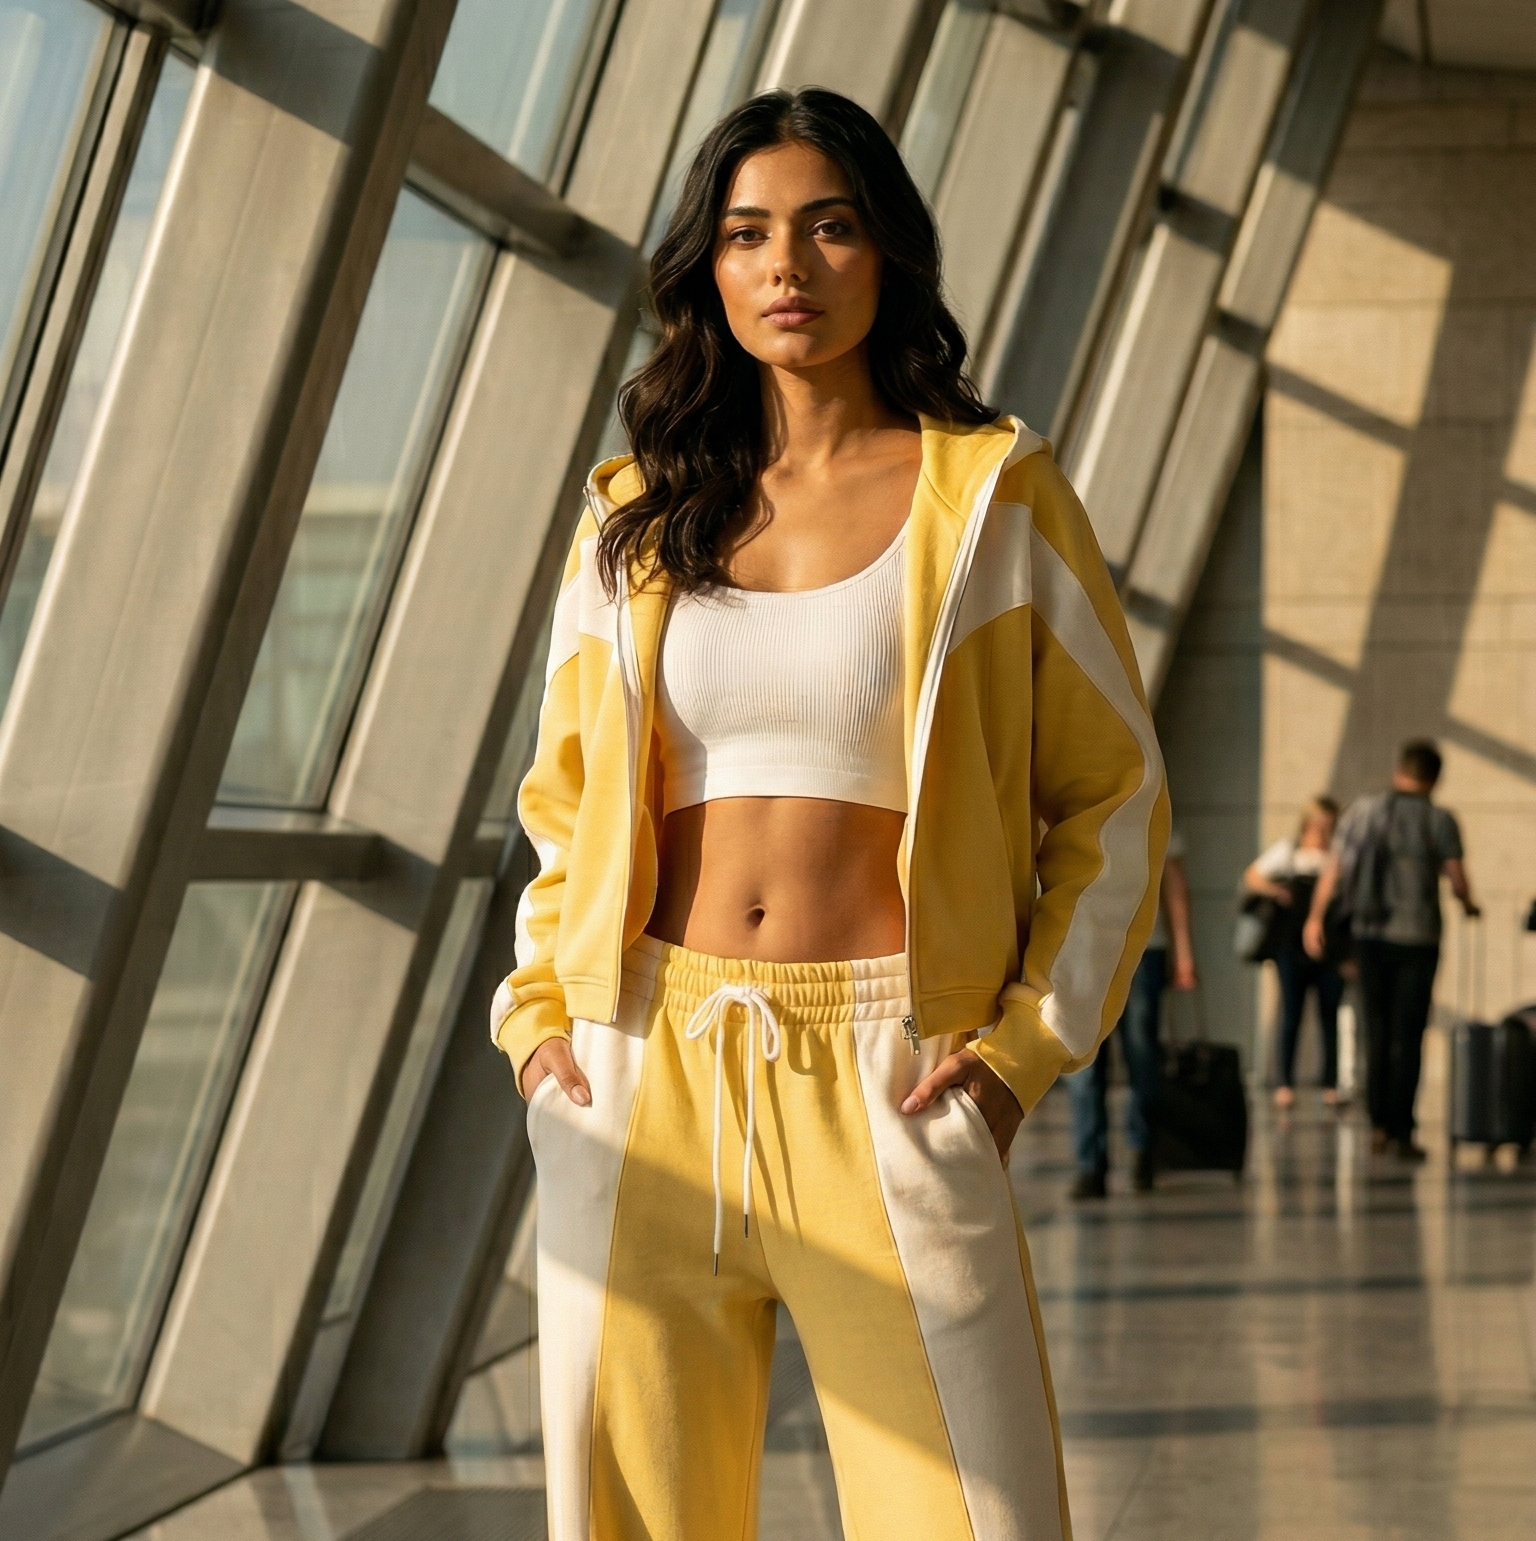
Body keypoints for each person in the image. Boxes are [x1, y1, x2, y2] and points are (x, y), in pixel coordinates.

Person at [490, 89, 1168, 1541]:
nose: (785, 265)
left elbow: (1117, 794)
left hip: (891, 1079)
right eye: (746, 235)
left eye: (827, 225)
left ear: (887, 256)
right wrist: (543, 1029)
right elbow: (563, 806)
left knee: (970, 1519)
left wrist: (1011, 1062)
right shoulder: (635, 512)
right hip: (640, 1074)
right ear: (708, 273)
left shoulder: (992, 496)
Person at [1304, 741, 1478, 1160]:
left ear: (1400, 769)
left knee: (1375, 1031)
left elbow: (1335, 868)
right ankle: (1402, 1130)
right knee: (1409, 1033)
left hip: (1369, 935)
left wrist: (1314, 918)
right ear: (1434, 778)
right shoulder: (1439, 820)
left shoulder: (1363, 812)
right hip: (1418, 939)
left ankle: (1378, 1125)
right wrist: (1469, 903)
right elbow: (1456, 879)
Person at [1069, 828, 1196, 1198]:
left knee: (1142, 1055)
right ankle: (1090, 1164)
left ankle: (1142, 1152)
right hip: (1080, 952)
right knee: (1083, 1060)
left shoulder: (1151, 797)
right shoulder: (1063, 796)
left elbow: (1174, 885)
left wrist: (1184, 952)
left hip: (1143, 950)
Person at [1246, 796, 1345, 1108]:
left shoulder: (1336, 857)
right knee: (1291, 1013)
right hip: (1291, 946)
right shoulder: (1289, 853)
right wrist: (1277, 891)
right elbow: (1253, 875)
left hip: (1330, 948)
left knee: (1329, 1014)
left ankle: (1331, 1081)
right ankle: (1284, 1081)